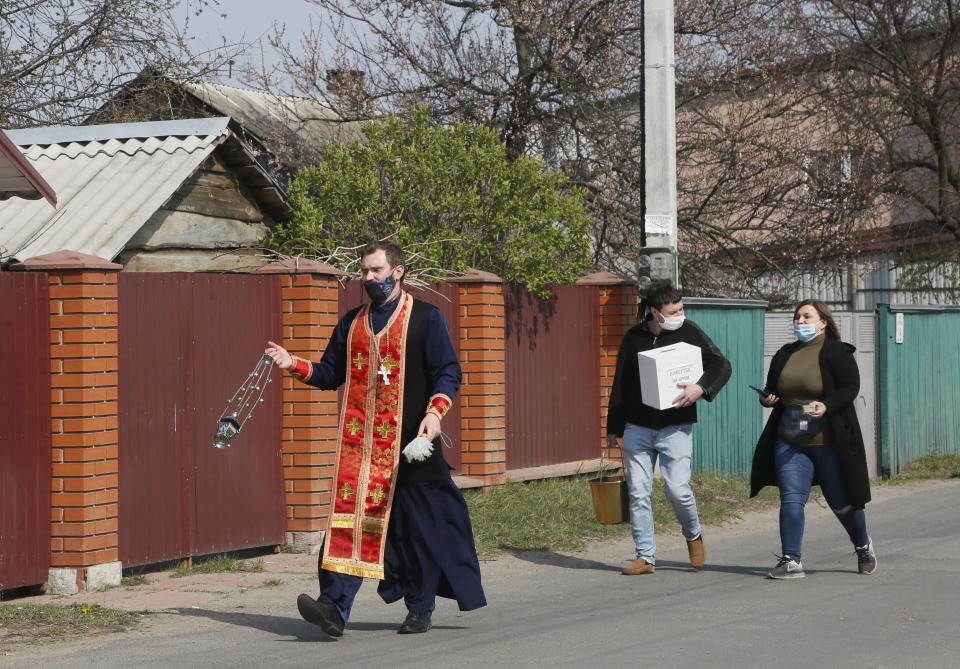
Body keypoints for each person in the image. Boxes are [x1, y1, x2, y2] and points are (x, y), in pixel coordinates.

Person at [264, 241, 486, 637]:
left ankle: (420, 607)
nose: (368, 278)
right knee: (347, 523)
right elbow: (330, 373)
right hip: (360, 449)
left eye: (376, 271)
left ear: (397, 272)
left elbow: (448, 372)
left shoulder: (425, 318)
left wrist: (436, 413)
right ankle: (333, 607)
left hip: (412, 447)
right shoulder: (351, 324)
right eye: (364, 272)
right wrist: (292, 363)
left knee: (417, 529)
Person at [605, 281, 731, 574]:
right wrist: (614, 426)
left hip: (675, 427)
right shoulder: (634, 337)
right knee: (638, 492)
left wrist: (700, 388)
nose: (679, 314)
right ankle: (645, 556)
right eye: (673, 311)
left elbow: (721, 365)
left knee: (677, 489)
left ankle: (693, 533)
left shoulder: (690, 332)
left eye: (681, 308)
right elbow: (621, 383)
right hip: (637, 427)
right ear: (654, 312)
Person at [749, 300, 877, 579]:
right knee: (791, 498)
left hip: (828, 439)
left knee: (841, 502)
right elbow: (773, 390)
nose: (800, 321)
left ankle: (863, 544)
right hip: (790, 437)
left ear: (822, 322)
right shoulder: (784, 354)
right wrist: (767, 398)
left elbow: (850, 387)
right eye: (796, 317)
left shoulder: (836, 352)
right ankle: (791, 560)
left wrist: (827, 405)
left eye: (807, 316)